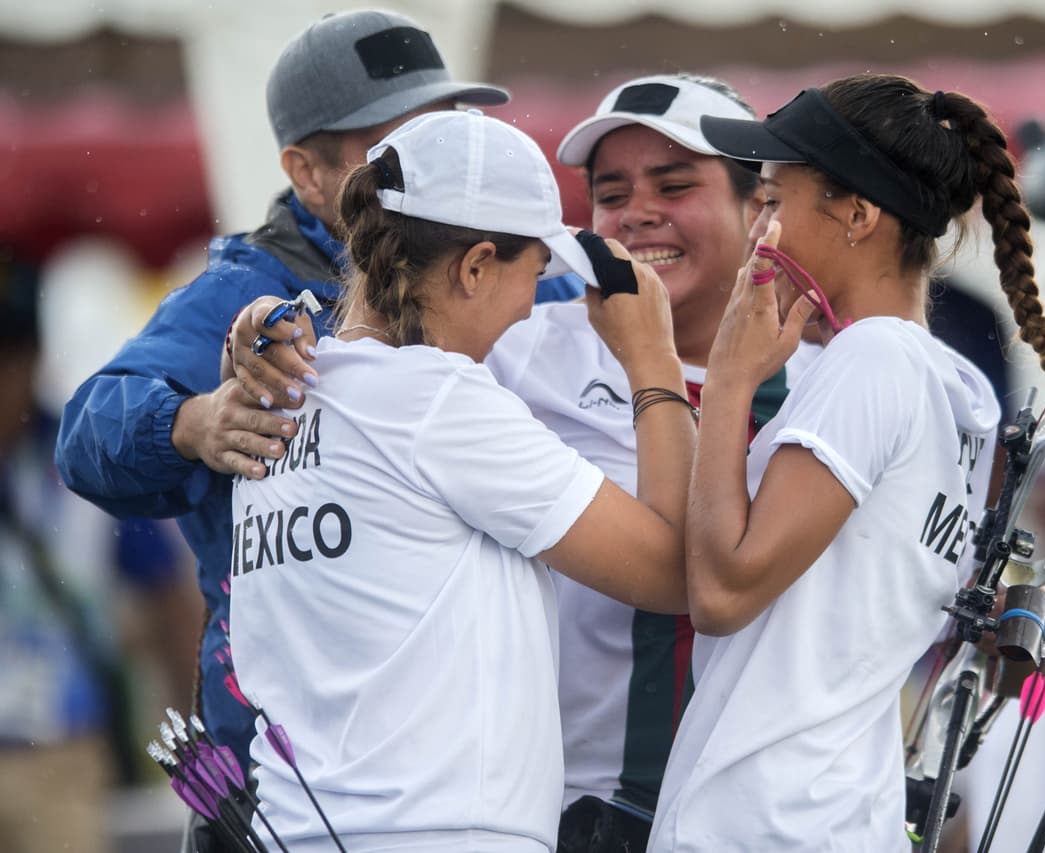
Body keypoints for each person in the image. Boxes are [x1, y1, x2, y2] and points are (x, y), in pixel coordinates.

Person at [231, 74, 819, 851]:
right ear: (474, 267)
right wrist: (652, 364)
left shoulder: (278, 397)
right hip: (440, 830)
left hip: (306, 826)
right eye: (534, 273)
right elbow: (679, 570)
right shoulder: (440, 397)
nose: (534, 304)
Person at [52, 9, 516, 777]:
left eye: (447, 131)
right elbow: (83, 435)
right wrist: (194, 422)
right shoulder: (244, 288)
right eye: (395, 146)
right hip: (293, 777)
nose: (432, 164)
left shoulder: (504, 264)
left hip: (465, 761)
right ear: (306, 172)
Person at [645, 75, 1045, 851]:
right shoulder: (959, 389)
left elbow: (722, 590)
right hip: (843, 813)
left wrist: (733, 378)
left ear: (857, 214)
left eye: (774, 201)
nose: (758, 232)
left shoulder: (873, 359)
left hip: (764, 820)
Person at [0, 253, 198, 853]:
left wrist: (198, 742)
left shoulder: (82, 463)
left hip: (55, 759)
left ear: (29, 359)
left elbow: (171, 603)